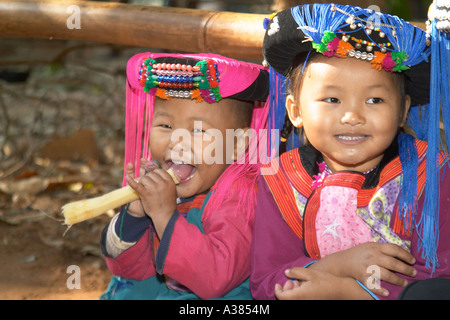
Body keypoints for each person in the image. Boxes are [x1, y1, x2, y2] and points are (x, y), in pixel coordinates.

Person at [250, 3, 450, 300]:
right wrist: (337, 266)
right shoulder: (282, 179)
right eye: (332, 99)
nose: (352, 116)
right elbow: (266, 282)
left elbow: (439, 278)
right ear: (295, 111)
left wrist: (350, 292)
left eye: (375, 100)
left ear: (403, 110)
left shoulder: (429, 173)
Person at [100, 52, 269, 300]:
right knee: (127, 290)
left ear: (237, 144)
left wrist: (164, 215)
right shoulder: (163, 182)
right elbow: (134, 271)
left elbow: (214, 279)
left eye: (198, 130)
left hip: (221, 295)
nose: (177, 142)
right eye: (166, 126)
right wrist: (137, 216)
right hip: (169, 288)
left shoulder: (241, 197)